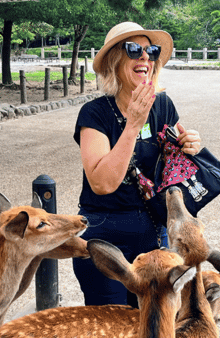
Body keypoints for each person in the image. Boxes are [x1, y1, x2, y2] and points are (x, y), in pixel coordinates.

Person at [72, 21, 203, 307]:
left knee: (153, 329)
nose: (145, 57)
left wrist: (192, 144)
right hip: (106, 237)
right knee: (113, 336)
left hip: (155, 235)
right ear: (115, 60)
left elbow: (179, 159)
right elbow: (103, 183)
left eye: (151, 51)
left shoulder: (163, 105)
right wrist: (132, 125)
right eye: (134, 49)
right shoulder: (94, 114)